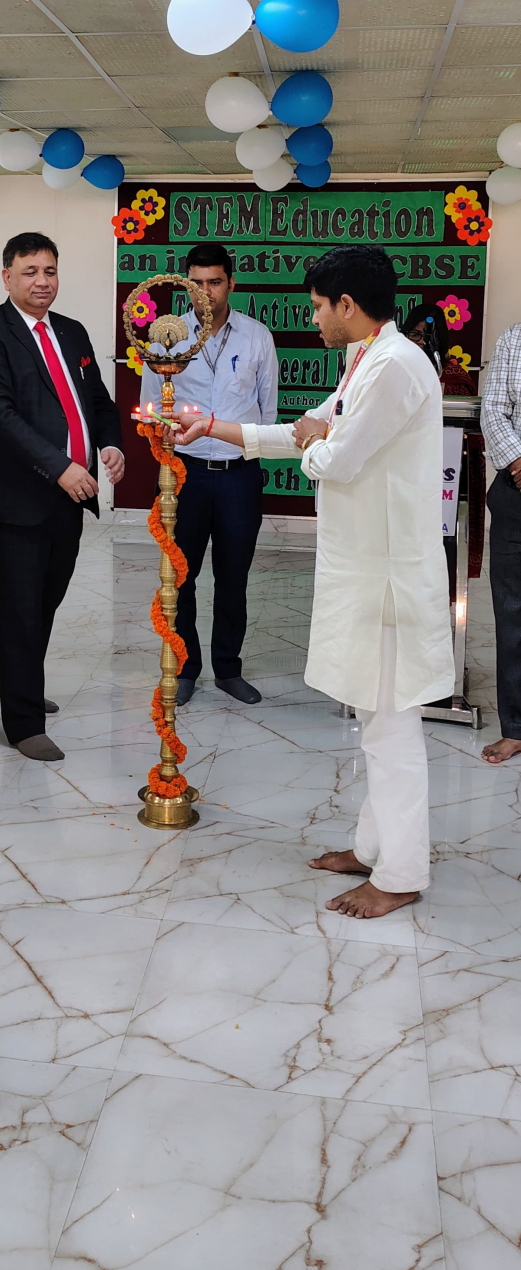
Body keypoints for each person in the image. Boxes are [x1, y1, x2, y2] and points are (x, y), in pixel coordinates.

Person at [176, 245, 454, 920]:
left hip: (388, 576)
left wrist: (313, 441)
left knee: (391, 730)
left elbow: (335, 457)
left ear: (347, 305)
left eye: (318, 307)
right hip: (367, 568)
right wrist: (214, 427)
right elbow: (305, 431)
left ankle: (401, 874)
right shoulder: (366, 358)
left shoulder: (394, 365)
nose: (313, 318)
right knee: (375, 721)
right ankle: (373, 848)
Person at [0, 231, 124, 762]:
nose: (41, 281)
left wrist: (110, 443)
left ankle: (14, 676)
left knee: (45, 599)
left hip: (70, 497)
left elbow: (97, 401)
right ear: (6, 276)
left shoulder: (72, 331)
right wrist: (59, 468)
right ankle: (23, 722)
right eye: (29, 272)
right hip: (17, 497)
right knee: (19, 609)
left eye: (49, 271)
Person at [140, 242, 278, 707]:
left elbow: (267, 413)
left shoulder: (257, 337)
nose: (205, 292)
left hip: (239, 476)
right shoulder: (166, 338)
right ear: (185, 285)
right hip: (185, 475)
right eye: (196, 283)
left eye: (214, 282)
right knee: (180, 576)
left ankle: (228, 669)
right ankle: (185, 669)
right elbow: (151, 409)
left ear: (230, 284)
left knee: (233, 578)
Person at [480, 321, 521, 765]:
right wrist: (518, 460)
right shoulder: (514, 339)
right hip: (517, 487)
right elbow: (493, 410)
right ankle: (516, 727)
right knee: (513, 614)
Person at [402, 301, 478, 396]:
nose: (422, 342)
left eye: (430, 337)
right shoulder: (395, 371)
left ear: (440, 339)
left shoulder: (455, 380)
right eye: (415, 335)